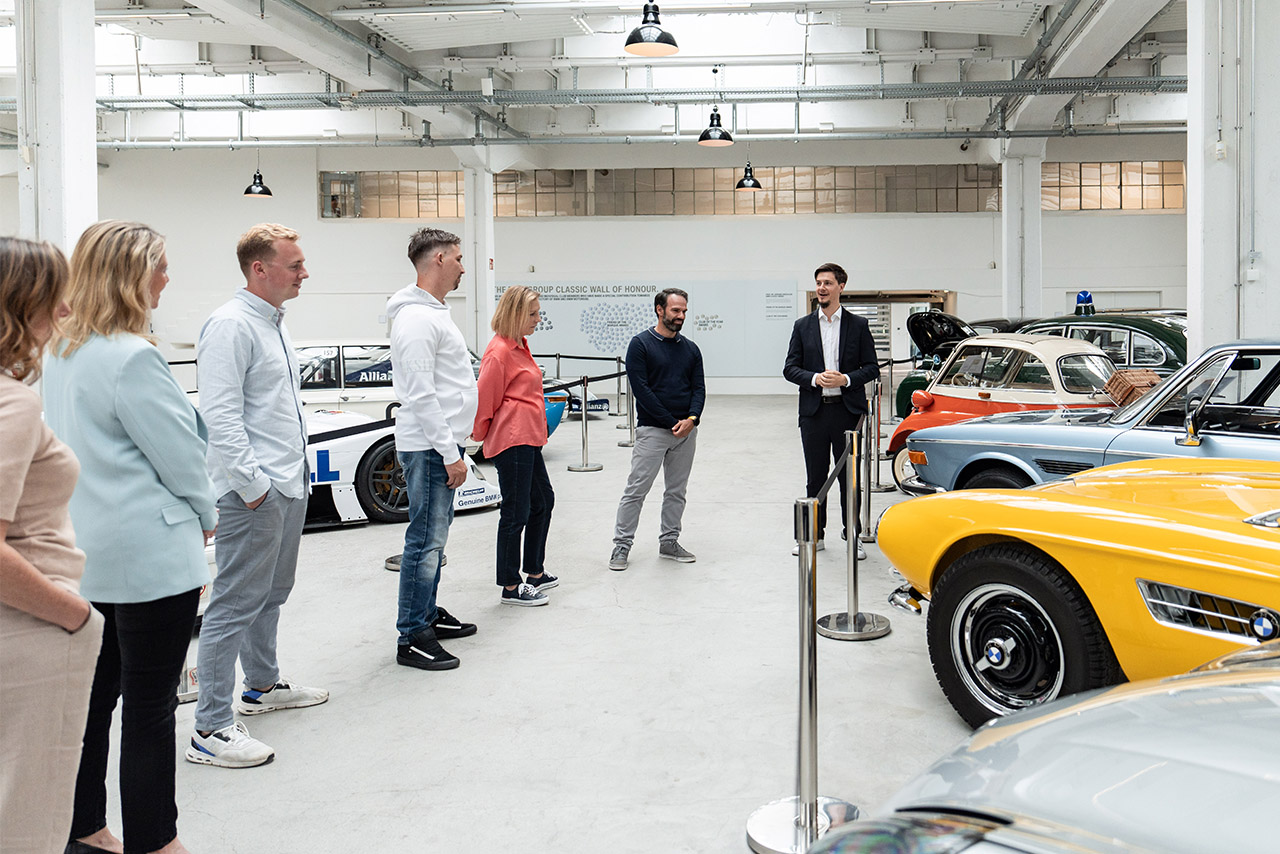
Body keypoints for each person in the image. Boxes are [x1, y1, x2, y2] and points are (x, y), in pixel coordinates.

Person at [43, 221, 216, 854]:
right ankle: (156, 841)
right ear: (129, 275)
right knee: (149, 708)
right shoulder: (133, 356)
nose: (167, 278)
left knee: (93, 705)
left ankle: (84, 827)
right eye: (159, 267)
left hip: (84, 555)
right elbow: (181, 457)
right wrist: (206, 513)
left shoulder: (59, 352)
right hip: (148, 560)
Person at [187, 223, 328, 769]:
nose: (304, 273)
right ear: (258, 269)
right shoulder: (229, 326)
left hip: (288, 483)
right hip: (255, 493)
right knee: (233, 604)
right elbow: (219, 415)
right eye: (294, 265)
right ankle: (211, 726)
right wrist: (253, 488)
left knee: (273, 590)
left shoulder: (275, 325)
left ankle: (262, 687)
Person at [0, 237, 104, 854]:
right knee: (27, 818)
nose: (63, 312)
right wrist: (76, 617)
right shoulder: (13, 402)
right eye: (53, 299)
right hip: (32, 627)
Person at [388, 228, 479, 670]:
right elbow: (421, 394)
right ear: (439, 259)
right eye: (459, 258)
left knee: (434, 541)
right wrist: (449, 453)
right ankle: (412, 635)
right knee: (424, 542)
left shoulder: (434, 313)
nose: (464, 267)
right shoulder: (417, 319)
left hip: (439, 444)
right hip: (429, 448)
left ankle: (426, 613)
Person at [783, 263, 880, 557]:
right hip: (814, 412)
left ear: (841, 286)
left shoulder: (858, 326)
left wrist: (846, 379)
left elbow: (872, 367)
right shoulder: (802, 326)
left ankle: (852, 536)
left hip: (847, 412)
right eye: (818, 283)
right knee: (815, 476)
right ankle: (814, 537)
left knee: (848, 479)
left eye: (827, 283)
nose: (821, 288)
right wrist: (814, 378)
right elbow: (790, 368)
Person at [609, 288, 705, 571]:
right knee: (636, 489)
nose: (681, 316)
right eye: (676, 310)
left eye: (684, 311)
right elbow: (642, 390)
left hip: (686, 432)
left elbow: (698, 388)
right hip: (653, 430)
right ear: (659, 310)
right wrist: (670, 422)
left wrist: (692, 419)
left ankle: (669, 541)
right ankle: (621, 545)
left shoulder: (691, 349)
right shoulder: (640, 345)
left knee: (677, 490)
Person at [473, 286, 556, 607]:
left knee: (542, 502)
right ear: (516, 314)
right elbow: (486, 399)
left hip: (529, 437)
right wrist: (480, 436)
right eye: (533, 314)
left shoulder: (520, 346)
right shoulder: (500, 352)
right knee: (516, 512)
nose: (538, 320)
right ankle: (510, 585)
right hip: (513, 439)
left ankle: (534, 572)